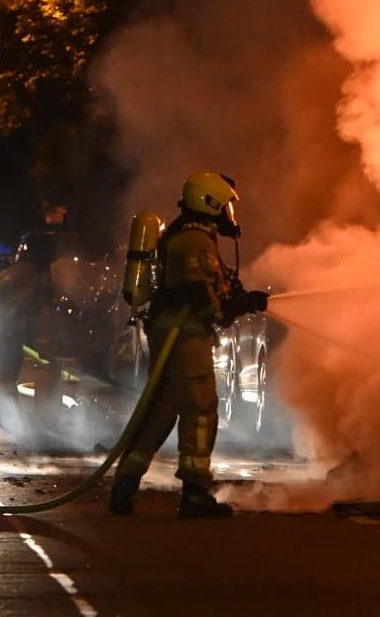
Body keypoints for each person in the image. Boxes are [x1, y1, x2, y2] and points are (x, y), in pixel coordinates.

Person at [108, 172, 268, 518]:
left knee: (161, 410)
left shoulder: (188, 235)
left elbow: (208, 283)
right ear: (209, 203)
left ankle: (125, 483)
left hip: (172, 333)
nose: (229, 215)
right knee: (200, 407)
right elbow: (197, 289)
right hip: (183, 335)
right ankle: (195, 492)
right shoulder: (195, 240)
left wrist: (238, 297)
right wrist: (228, 309)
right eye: (225, 206)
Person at [0, 232, 66, 432]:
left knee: (5, 380)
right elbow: (29, 310)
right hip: (5, 335)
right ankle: (14, 421)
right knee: (7, 380)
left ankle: (6, 416)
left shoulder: (13, 272)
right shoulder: (33, 276)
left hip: (0, 333)